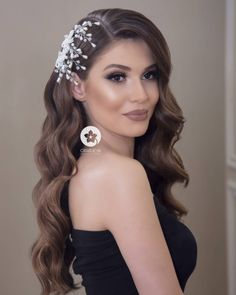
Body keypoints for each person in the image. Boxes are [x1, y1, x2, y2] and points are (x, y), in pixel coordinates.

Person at [30, 7, 198, 295]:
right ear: (78, 86)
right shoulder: (119, 174)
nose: (141, 95)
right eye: (117, 77)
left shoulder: (88, 166)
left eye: (149, 75)